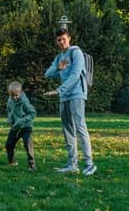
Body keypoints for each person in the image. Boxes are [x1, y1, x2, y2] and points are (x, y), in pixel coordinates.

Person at [44, 27, 97, 176]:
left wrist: (59, 90)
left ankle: (89, 163)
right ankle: (72, 164)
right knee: (68, 130)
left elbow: (75, 75)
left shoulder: (76, 53)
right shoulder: (59, 57)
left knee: (80, 127)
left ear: (69, 38)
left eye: (64, 39)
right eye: (59, 40)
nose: (61, 42)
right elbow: (48, 74)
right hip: (64, 97)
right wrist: (58, 68)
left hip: (77, 94)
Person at [5, 81, 37, 170]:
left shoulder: (25, 102)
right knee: (9, 144)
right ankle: (12, 162)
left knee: (27, 144)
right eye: (12, 96)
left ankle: (31, 164)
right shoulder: (10, 101)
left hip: (26, 126)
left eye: (16, 95)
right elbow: (9, 111)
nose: (14, 98)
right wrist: (10, 120)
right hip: (15, 127)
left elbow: (33, 113)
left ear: (20, 92)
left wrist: (22, 120)